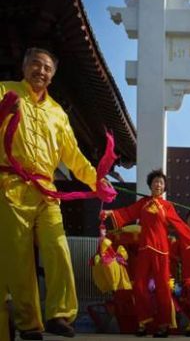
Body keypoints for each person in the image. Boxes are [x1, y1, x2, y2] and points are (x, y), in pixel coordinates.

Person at [0, 48, 112, 339]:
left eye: (47, 68)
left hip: (47, 191)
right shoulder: (4, 91)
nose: (41, 71)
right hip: (10, 187)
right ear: (24, 66)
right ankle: (28, 323)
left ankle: (60, 314)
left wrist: (96, 181)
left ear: (52, 75)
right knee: (19, 258)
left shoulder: (57, 112)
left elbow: (73, 155)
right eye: (36, 64)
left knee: (58, 247)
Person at [103, 170, 190, 337]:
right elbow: (127, 212)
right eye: (155, 182)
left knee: (163, 288)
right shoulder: (143, 203)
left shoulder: (167, 206)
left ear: (164, 187)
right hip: (145, 250)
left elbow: (180, 225)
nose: (158, 184)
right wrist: (111, 213)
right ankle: (143, 322)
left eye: (161, 182)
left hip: (161, 251)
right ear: (150, 185)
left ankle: (164, 325)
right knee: (139, 286)